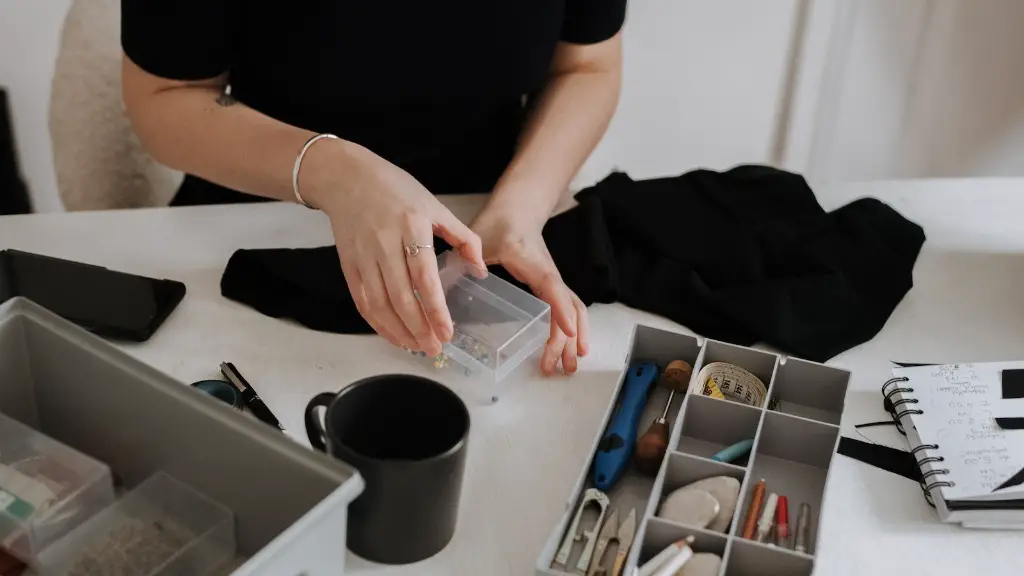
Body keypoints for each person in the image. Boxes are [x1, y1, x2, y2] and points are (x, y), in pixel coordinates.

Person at [119, 1, 626, 375]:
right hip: (262, 202)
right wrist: (335, 172)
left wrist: (518, 212)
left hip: (479, 216)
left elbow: (587, 66)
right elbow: (165, 99)